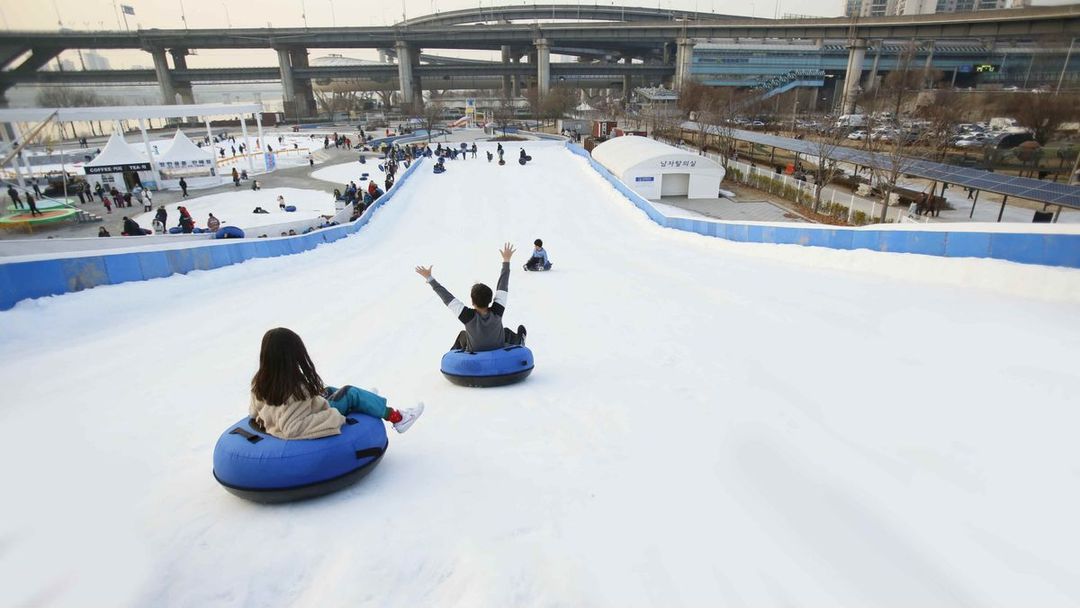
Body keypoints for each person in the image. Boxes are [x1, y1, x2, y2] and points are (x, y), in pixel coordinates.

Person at [248, 327, 424, 440]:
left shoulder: (261, 379)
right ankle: (398, 418)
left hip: (299, 410)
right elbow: (292, 428)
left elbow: (253, 411)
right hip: (316, 415)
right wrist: (333, 416)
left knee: (329, 390)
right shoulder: (295, 389)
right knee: (350, 393)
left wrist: (265, 421)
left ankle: (368, 401)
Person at [416, 242, 526, 352]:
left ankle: (455, 359)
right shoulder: (497, 310)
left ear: (472, 302)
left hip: (476, 353)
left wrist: (429, 278)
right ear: (491, 300)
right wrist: (506, 261)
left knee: (462, 335)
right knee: (506, 332)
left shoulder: (467, 316)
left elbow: (447, 297)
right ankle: (519, 340)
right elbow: (503, 286)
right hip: (498, 348)